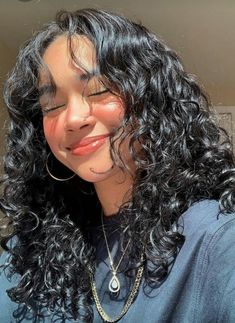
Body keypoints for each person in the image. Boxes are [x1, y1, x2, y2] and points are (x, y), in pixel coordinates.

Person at [1, 8, 235, 323]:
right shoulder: (28, 250)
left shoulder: (217, 239)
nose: (72, 118)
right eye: (52, 105)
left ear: (151, 98)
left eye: (99, 91)